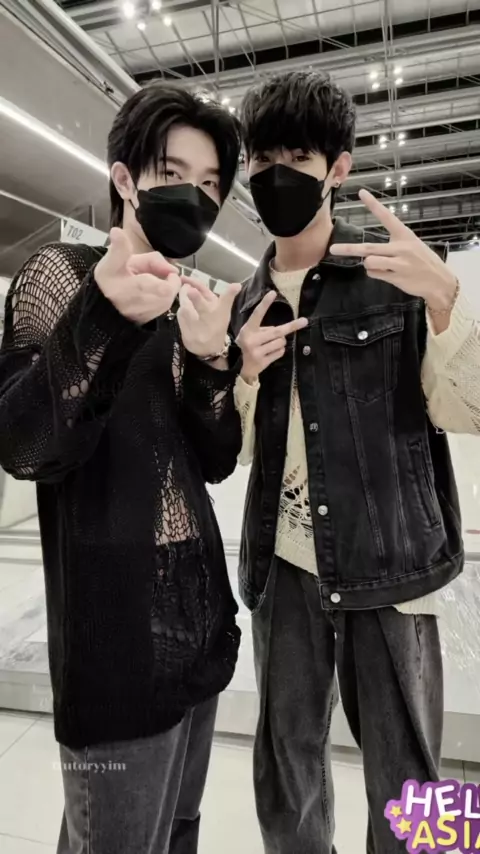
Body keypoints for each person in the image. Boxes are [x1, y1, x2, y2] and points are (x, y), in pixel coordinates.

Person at [231, 70, 480, 854]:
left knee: (414, 781)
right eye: (262, 159)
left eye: (298, 159)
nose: (276, 176)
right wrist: (240, 378)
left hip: (393, 564)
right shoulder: (245, 302)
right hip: (283, 567)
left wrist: (450, 303)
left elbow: (467, 412)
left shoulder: (393, 279)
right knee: (285, 774)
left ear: (338, 168)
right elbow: (238, 451)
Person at [0, 82, 244, 854]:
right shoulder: (61, 277)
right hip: (113, 643)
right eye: (173, 173)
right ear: (125, 179)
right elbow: (24, 445)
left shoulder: (183, 305)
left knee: (177, 831)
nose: (194, 196)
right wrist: (101, 315)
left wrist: (211, 365)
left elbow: (214, 460)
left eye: (211, 183)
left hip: (198, 626)